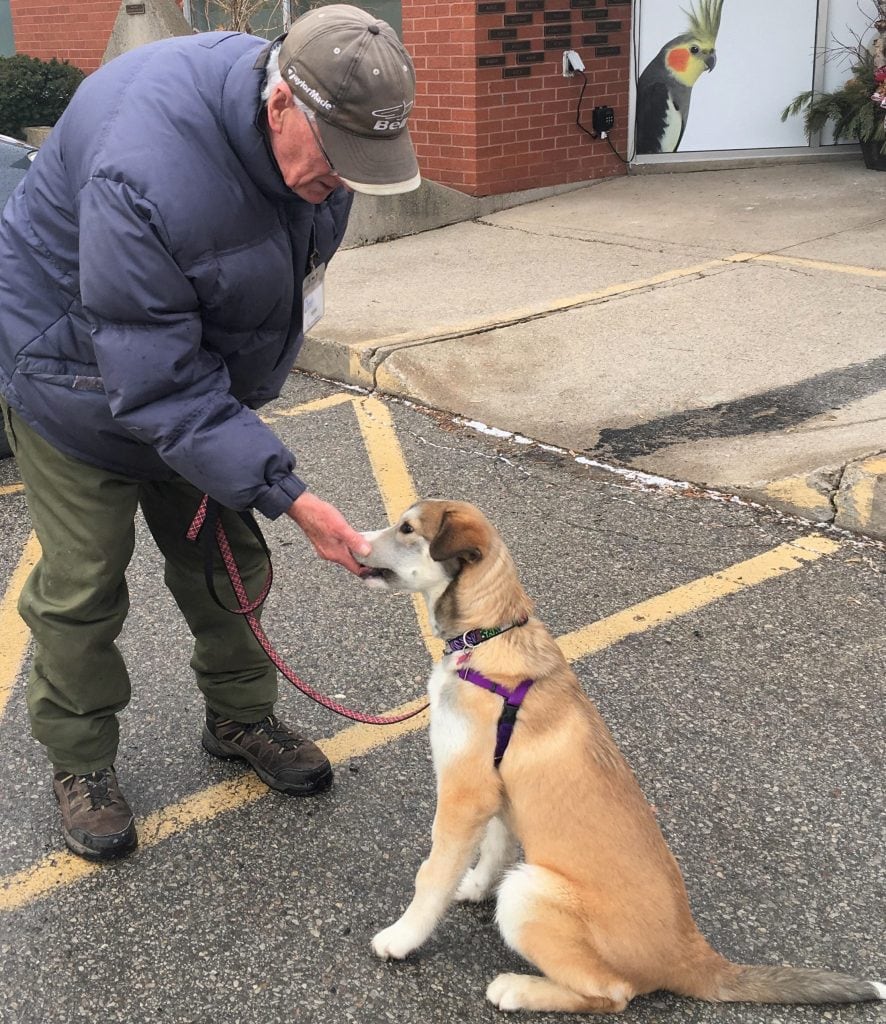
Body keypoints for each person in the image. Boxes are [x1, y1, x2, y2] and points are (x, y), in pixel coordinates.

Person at [0, 5, 421, 861]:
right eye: (336, 162)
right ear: (281, 107)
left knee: (229, 558)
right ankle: (81, 762)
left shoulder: (312, 166)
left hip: (183, 374)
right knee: (83, 584)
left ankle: (240, 718)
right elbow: (154, 381)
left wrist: (247, 455)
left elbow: (259, 298)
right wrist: (291, 495)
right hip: (68, 373)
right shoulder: (148, 172)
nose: (341, 185)